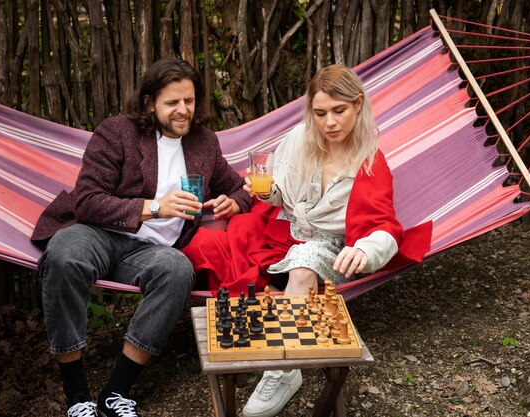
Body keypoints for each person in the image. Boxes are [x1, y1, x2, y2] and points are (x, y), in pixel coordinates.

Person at [182, 64, 432, 417]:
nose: (329, 122)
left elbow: (384, 226)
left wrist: (364, 250)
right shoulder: (299, 138)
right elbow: (277, 193)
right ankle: (241, 335)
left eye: (339, 111)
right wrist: (265, 192)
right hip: (285, 232)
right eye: (320, 113)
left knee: (303, 265)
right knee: (214, 240)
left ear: (358, 104)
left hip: (331, 248)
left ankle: (283, 372)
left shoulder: (370, 161)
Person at [31, 58, 252, 417]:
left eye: (190, 101)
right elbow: (87, 202)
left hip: (153, 251)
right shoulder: (117, 132)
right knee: (63, 255)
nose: (183, 111)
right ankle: (77, 397)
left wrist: (234, 201)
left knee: (179, 270)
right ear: (150, 103)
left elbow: (240, 187)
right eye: (172, 103)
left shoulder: (204, 143)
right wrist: (153, 207)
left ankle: (115, 392)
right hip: (99, 234)